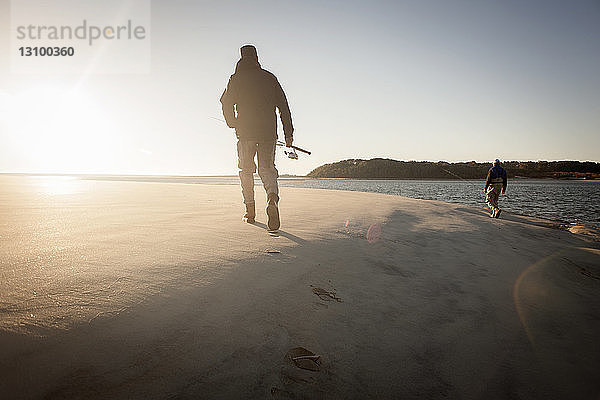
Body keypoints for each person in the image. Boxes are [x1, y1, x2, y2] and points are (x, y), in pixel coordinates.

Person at [220, 45, 294, 231]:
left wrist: (232, 122)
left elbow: (225, 102)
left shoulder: (235, 79)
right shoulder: (269, 78)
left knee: (246, 170)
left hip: (245, 132)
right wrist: (288, 135)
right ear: (256, 57)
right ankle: (271, 198)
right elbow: (284, 107)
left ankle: (250, 211)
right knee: (267, 169)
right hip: (268, 132)